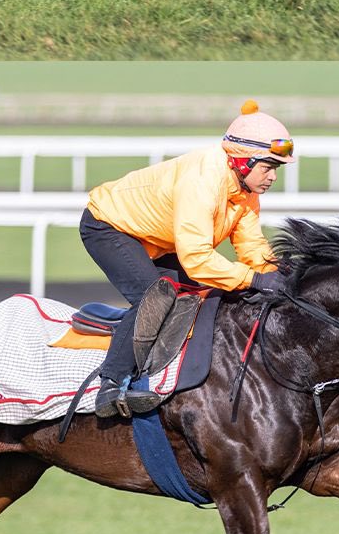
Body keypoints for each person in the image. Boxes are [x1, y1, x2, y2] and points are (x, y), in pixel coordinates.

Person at [79, 100, 293, 417]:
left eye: (276, 169)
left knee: (210, 292)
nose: (272, 176)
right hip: (108, 226)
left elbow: (252, 247)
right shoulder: (204, 181)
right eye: (268, 167)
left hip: (156, 241)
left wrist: (281, 276)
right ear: (243, 161)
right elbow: (197, 259)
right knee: (155, 296)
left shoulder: (246, 192)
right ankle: (111, 385)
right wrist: (255, 279)